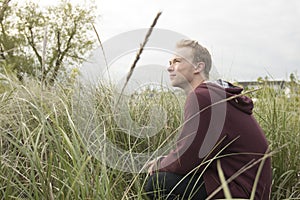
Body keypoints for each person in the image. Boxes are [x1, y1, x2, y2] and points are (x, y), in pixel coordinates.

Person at [145, 39, 272, 199]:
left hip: (239, 192)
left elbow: (188, 158)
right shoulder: (215, 94)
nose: (169, 67)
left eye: (177, 61)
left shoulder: (203, 97)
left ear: (198, 67)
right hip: (246, 189)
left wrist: (159, 164)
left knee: (157, 183)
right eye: (170, 62)